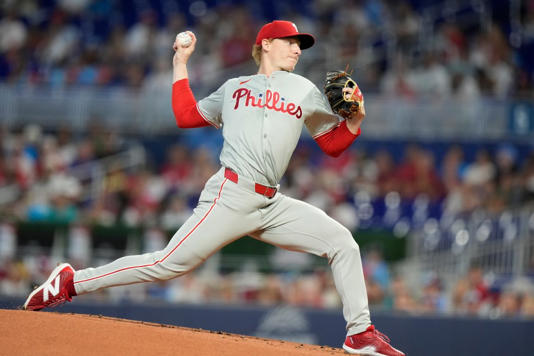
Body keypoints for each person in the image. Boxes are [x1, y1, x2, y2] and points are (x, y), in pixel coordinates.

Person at [23, 20, 405, 356]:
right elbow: (186, 116)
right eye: (290, 42)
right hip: (231, 193)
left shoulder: (304, 90)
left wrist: (355, 121)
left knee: (343, 243)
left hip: (272, 202)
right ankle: (72, 282)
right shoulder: (234, 87)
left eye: (300, 46)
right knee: (165, 265)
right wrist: (180, 63)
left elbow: (332, 145)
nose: (297, 49)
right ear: (266, 45)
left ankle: (360, 334)